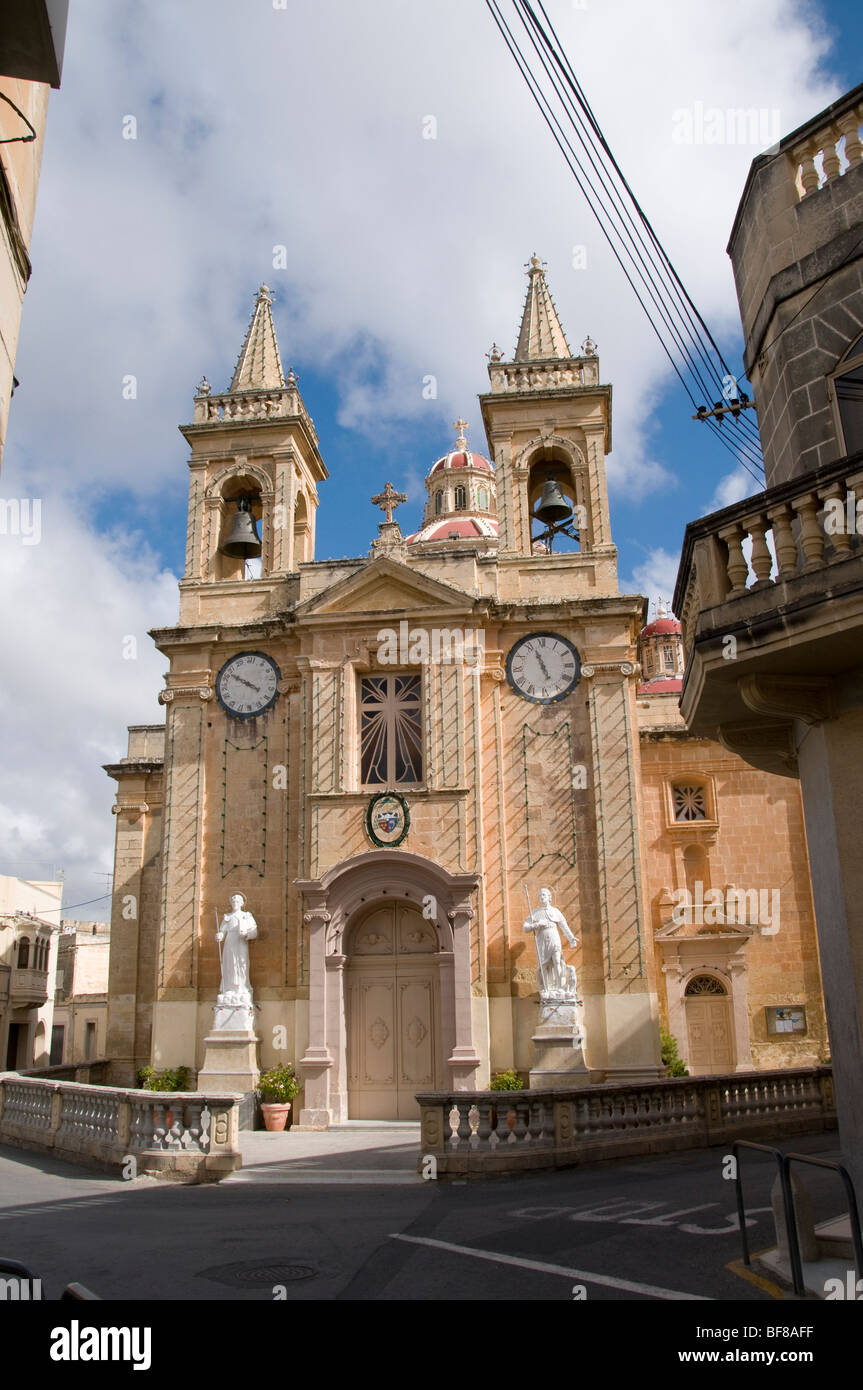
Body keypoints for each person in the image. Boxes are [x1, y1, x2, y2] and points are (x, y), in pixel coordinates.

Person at [524, 886, 577, 995]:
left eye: (543, 895)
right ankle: (546, 988)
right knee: (543, 964)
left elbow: (563, 925)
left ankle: (560, 987)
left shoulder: (555, 911)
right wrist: (537, 924)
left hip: (554, 936)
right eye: (540, 895)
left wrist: (571, 938)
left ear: (549, 897)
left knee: (557, 961)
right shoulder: (536, 912)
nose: (541, 897)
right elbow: (525, 927)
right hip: (542, 939)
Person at [216, 893, 258, 1005]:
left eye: (237, 901)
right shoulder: (227, 917)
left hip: (241, 942)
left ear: (241, 903)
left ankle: (242, 988)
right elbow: (222, 931)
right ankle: (229, 989)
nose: (235, 903)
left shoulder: (246, 916)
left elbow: (254, 931)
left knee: (241, 965)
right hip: (230, 942)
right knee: (229, 964)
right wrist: (220, 935)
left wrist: (246, 934)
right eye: (233, 901)